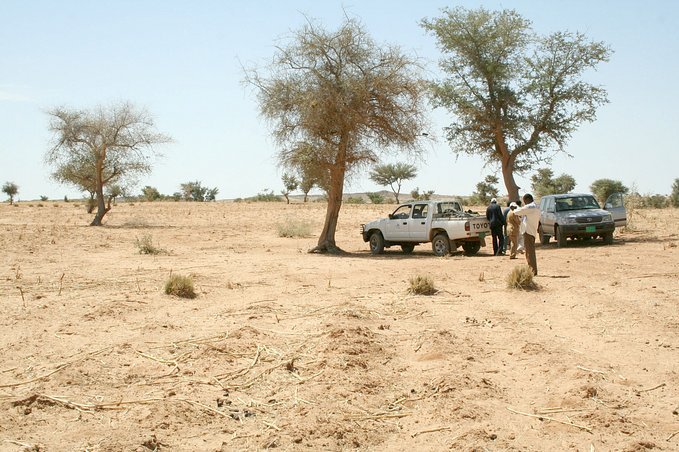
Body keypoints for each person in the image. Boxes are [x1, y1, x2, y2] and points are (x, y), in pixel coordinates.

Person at [514, 193, 540, 275]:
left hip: (528, 231)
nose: (524, 203)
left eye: (524, 201)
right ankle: (532, 269)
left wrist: (515, 207)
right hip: (532, 230)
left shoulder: (530, 207)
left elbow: (518, 212)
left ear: (527, 200)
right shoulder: (536, 206)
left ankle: (532, 271)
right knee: (530, 251)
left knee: (529, 252)